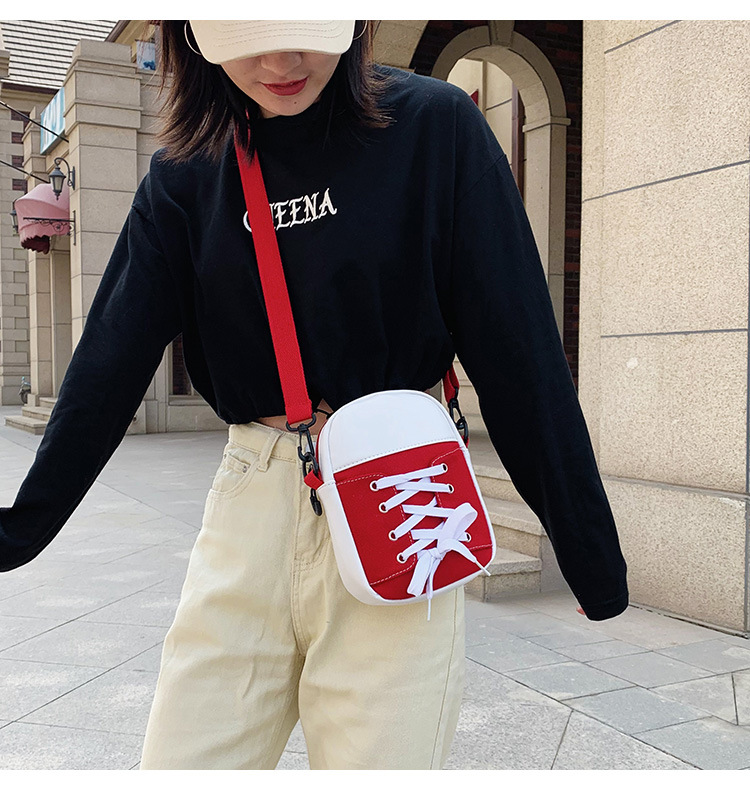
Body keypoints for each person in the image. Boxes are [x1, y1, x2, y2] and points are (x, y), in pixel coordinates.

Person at [0, 20, 629, 769]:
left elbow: (518, 349)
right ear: (194, 31)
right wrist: (19, 531)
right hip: (252, 501)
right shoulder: (187, 170)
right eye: (247, 31)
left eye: (306, 25)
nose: (280, 59)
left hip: (401, 495)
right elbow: (108, 363)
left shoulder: (434, 128)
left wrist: (588, 552)